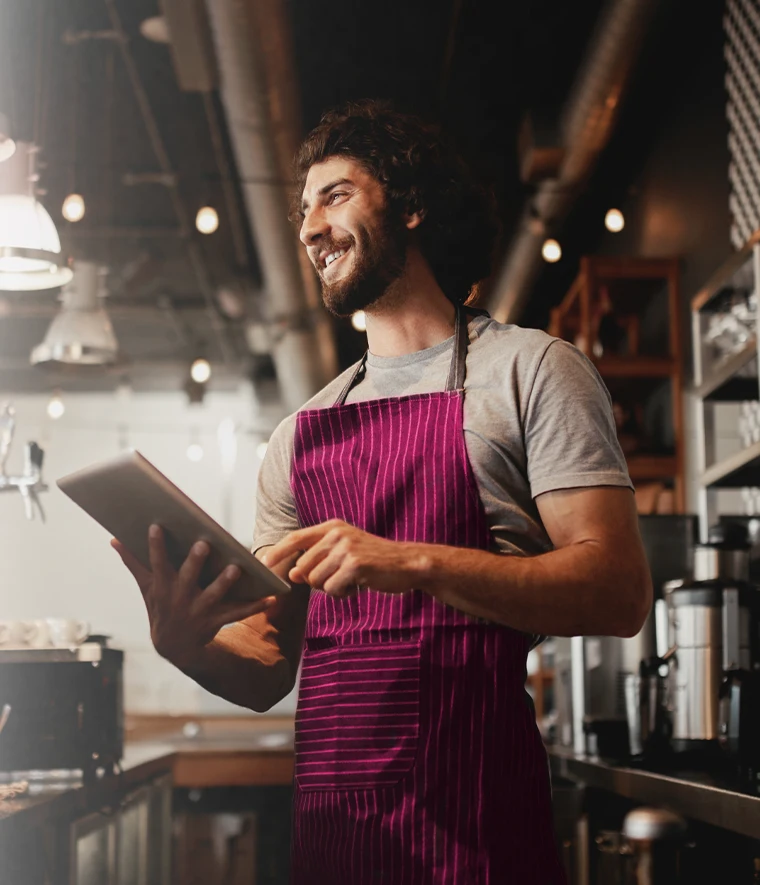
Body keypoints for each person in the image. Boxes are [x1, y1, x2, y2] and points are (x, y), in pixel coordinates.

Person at [114, 100, 652, 884]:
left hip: (480, 831)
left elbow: (618, 591)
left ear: (412, 204)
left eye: (335, 195)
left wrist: (412, 562)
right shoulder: (296, 437)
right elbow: (269, 663)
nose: (308, 229)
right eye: (303, 210)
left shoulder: (530, 370)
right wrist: (188, 644)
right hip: (338, 844)